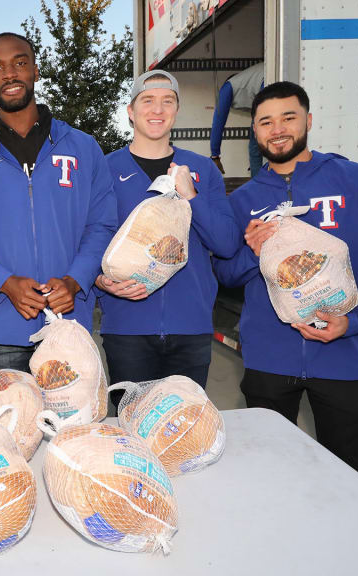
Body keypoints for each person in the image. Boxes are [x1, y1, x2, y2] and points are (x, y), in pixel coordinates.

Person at [213, 81, 358, 477]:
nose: (277, 130)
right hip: (269, 362)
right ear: (255, 133)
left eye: (288, 118)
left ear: (308, 120)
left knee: (346, 479)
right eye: (266, 122)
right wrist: (253, 254)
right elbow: (225, 272)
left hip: (348, 359)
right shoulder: (242, 201)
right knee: (269, 476)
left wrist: (354, 321)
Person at [0, 32, 117, 379]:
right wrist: (6, 284)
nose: (9, 74)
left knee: (72, 431)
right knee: (6, 431)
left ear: (35, 70)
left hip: (67, 324)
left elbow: (102, 225)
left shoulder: (83, 147)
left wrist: (75, 280)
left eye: (19, 63)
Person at [96, 70, 238, 390]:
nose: (157, 110)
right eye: (147, 101)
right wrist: (100, 281)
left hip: (191, 331)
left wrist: (191, 196)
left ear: (176, 111)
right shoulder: (105, 170)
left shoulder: (202, 170)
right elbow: (88, 242)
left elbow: (227, 244)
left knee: (185, 433)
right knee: (132, 432)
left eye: (167, 101)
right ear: (131, 112)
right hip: (127, 329)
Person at [210, 61, 264, 177]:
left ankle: (258, 185)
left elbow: (218, 121)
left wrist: (215, 155)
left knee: (255, 146)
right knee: (258, 139)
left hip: (267, 85)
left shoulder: (228, 86)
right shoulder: (249, 82)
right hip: (271, 83)